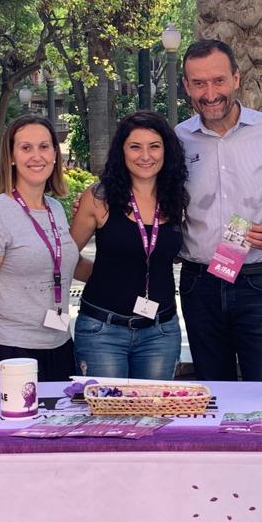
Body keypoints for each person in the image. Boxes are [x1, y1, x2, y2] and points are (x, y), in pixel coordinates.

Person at [175, 39, 262, 381]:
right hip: (198, 283)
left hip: (256, 281)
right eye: (199, 83)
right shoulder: (177, 140)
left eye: (218, 81)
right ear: (186, 85)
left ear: (236, 79)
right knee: (212, 387)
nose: (210, 93)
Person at [0, 115, 86, 387]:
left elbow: (65, 263)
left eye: (44, 147)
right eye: (26, 148)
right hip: (9, 350)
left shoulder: (55, 209)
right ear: (11, 157)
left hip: (59, 345)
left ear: (55, 154)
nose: (36, 156)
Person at [69, 111, 188, 379]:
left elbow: (177, 251)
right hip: (103, 330)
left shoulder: (178, 198)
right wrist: (105, 275)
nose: (145, 156)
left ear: (166, 151)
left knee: (154, 406)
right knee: (106, 407)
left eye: (154, 146)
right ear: (121, 151)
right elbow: (65, 256)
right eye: (135, 147)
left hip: (160, 332)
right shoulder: (99, 198)